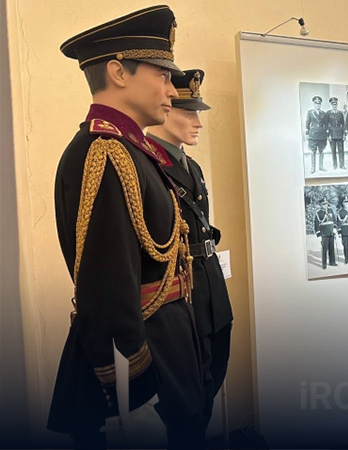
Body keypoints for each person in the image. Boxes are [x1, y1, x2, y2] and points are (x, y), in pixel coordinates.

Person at [48, 6, 206, 449]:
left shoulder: (133, 152)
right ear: (118, 72)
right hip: (142, 363)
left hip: (168, 346)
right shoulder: (104, 152)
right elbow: (106, 286)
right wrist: (134, 397)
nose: (171, 90)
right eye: (162, 74)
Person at [146, 69, 234, 430]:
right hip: (181, 297)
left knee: (213, 378)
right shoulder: (148, 165)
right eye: (188, 113)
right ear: (166, 111)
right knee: (187, 406)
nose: (198, 122)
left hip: (210, 291)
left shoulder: (190, 165)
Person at [306, 96, 328, 173]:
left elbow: (326, 124)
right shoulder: (310, 113)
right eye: (316, 103)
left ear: (320, 104)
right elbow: (307, 124)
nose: (318, 105)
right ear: (314, 104)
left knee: (321, 150)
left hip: (322, 135)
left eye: (319, 103)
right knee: (313, 151)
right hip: (313, 135)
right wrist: (307, 134)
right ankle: (313, 167)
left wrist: (326, 134)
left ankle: (321, 166)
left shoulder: (323, 113)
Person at [314, 198, 337, 269]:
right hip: (324, 233)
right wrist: (318, 234)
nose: (325, 205)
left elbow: (334, 220)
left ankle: (332, 262)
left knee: (331, 248)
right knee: (324, 249)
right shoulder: (318, 213)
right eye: (324, 204)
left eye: (326, 204)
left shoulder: (330, 210)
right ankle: (324, 264)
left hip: (331, 232)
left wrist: (334, 228)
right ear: (321, 205)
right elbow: (316, 224)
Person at [327, 97, 346, 170]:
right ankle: (334, 165)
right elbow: (326, 124)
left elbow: (343, 124)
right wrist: (328, 135)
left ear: (337, 105)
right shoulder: (328, 113)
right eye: (333, 104)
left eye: (335, 104)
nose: (334, 106)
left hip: (339, 134)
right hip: (332, 134)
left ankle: (342, 165)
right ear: (331, 105)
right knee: (333, 151)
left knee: (341, 150)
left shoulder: (340, 113)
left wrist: (344, 134)